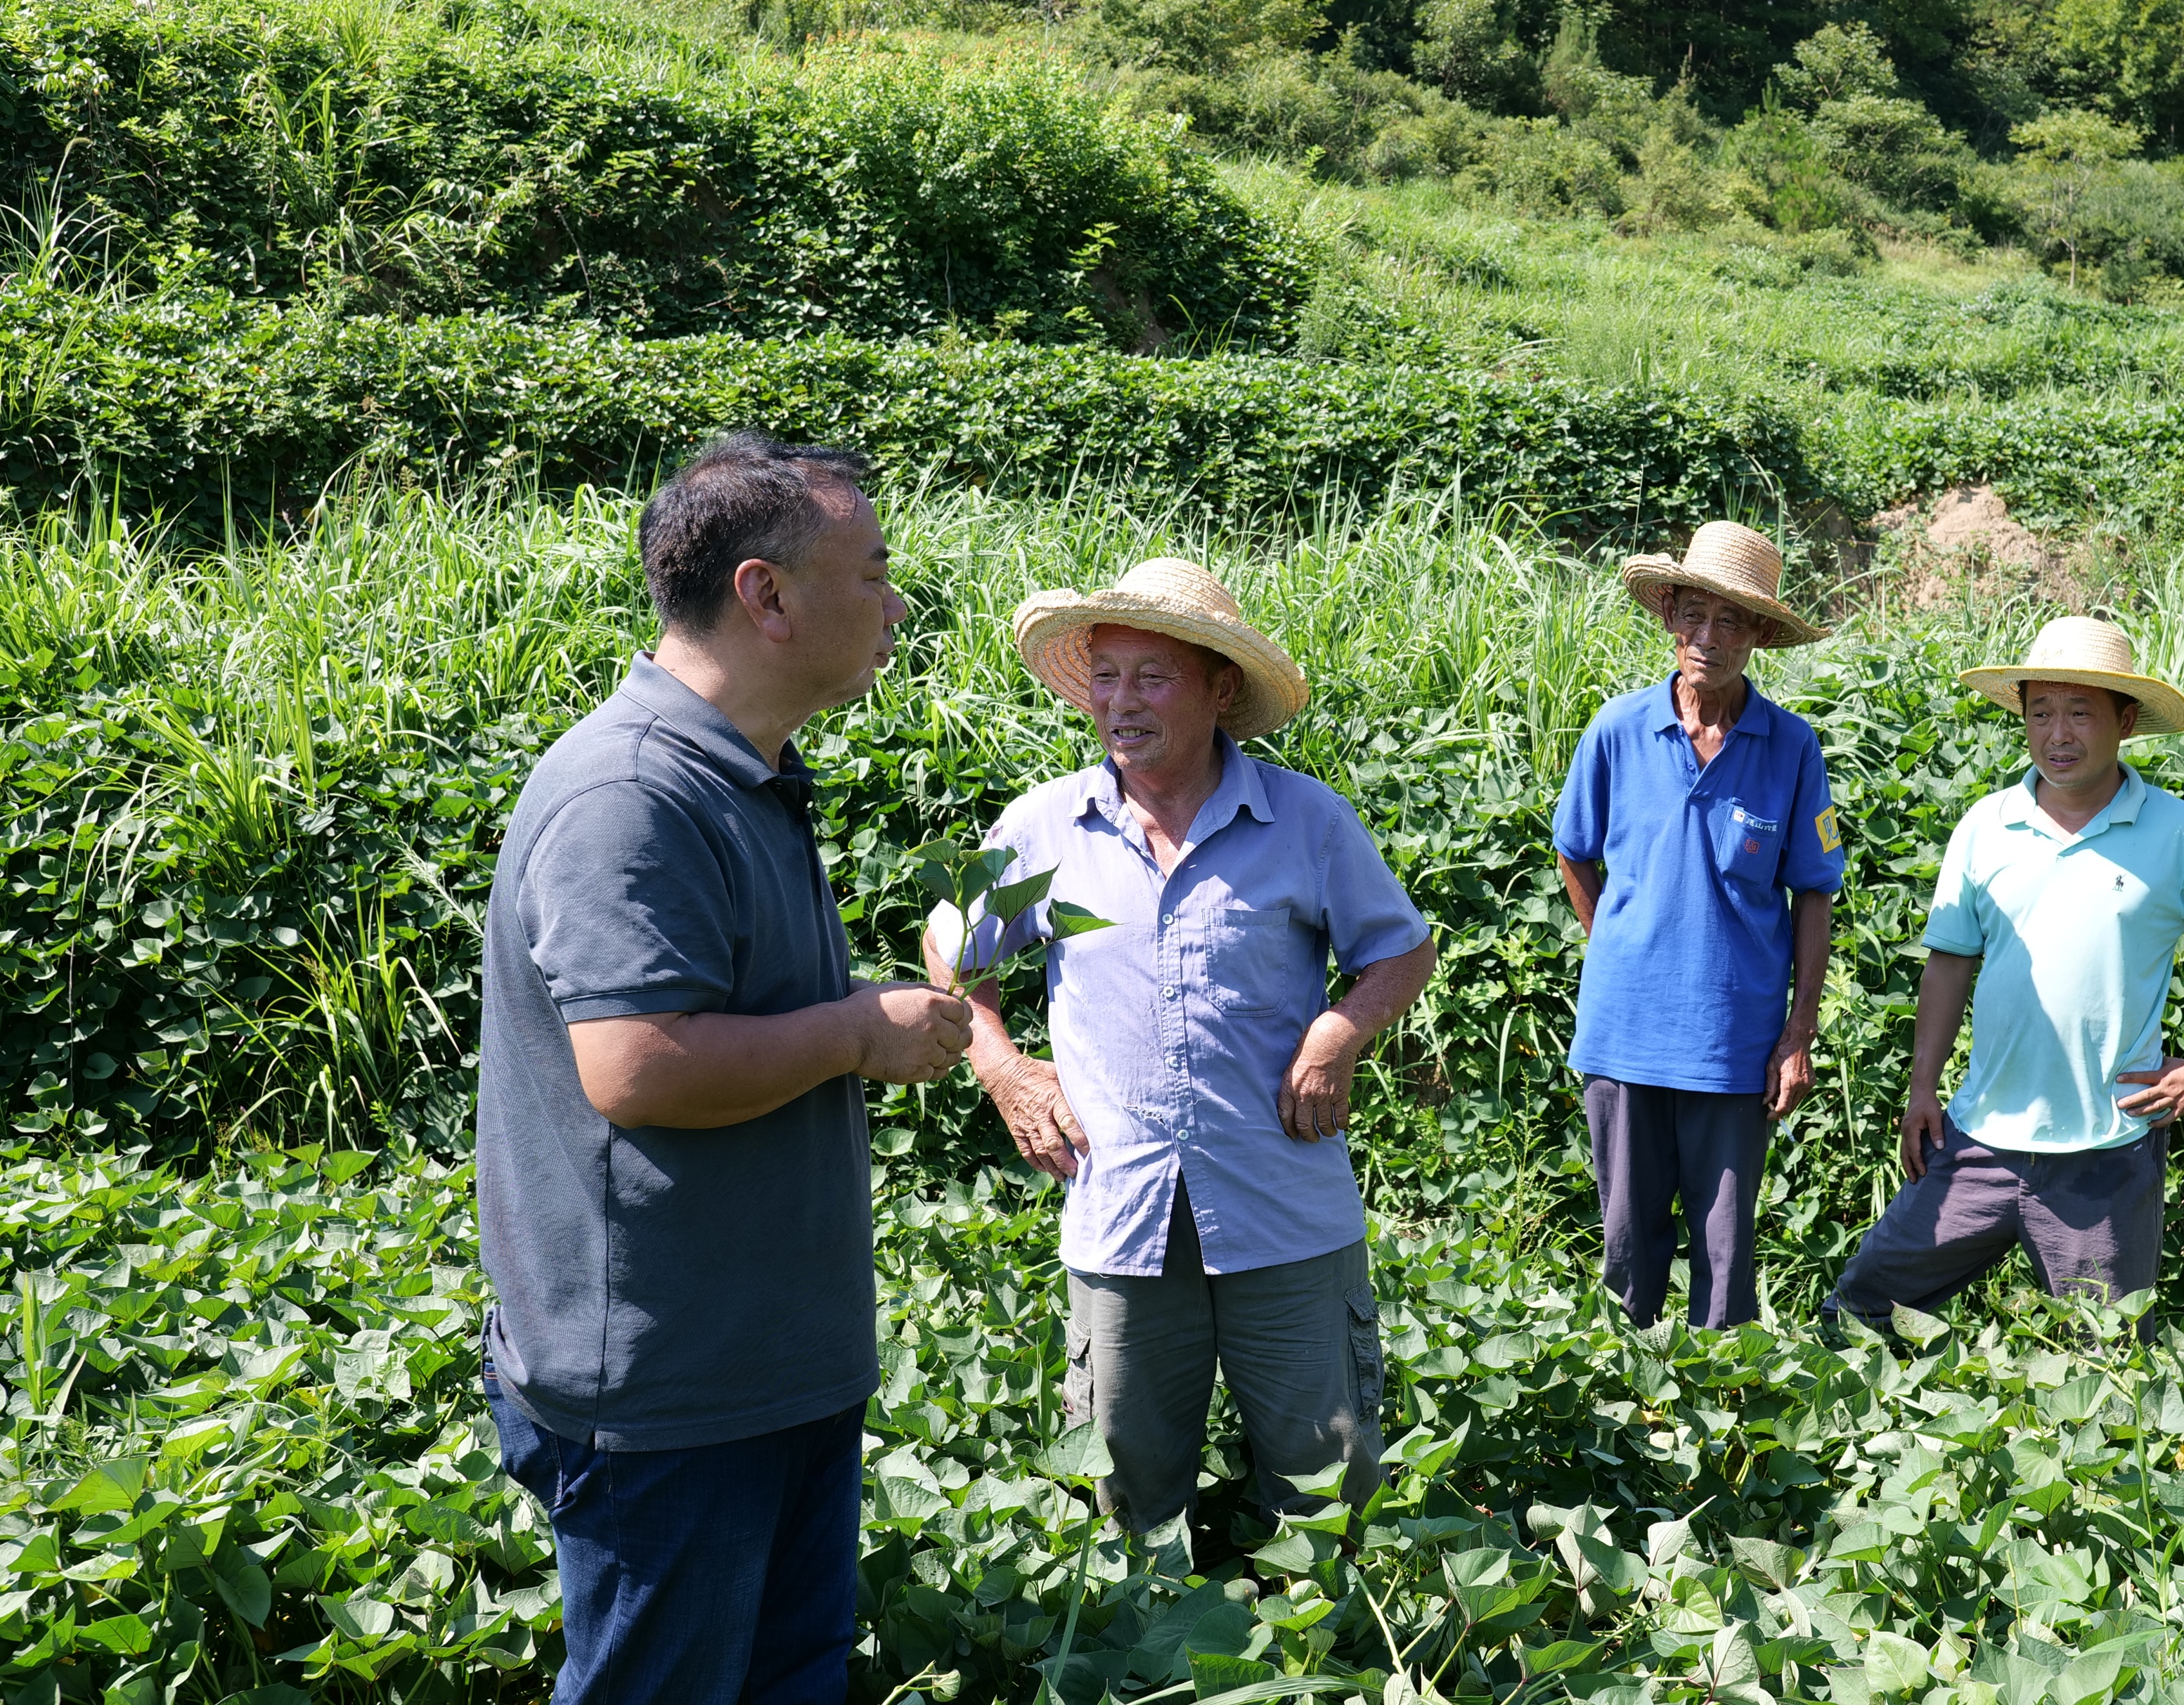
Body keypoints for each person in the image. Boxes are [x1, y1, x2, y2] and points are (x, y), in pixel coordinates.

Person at [477, 434, 972, 1705]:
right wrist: (861, 1031)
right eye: (872, 572)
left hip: (765, 1369)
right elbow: (637, 1069)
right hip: (667, 1392)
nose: (894, 604)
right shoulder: (631, 796)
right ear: (766, 595)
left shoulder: (744, 776)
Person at [928, 557, 1438, 1543]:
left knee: (1325, 1494)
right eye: (1107, 676)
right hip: (1120, 1213)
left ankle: (1319, 1661)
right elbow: (950, 950)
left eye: (1151, 678)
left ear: (1217, 688)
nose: (1120, 702)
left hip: (1284, 1210)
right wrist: (1000, 1062)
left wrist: (1338, 1031)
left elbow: (1401, 950)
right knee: (1124, 1502)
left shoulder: (1307, 819)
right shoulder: (1046, 826)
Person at [1827, 616, 2184, 1330]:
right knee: (1858, 1310)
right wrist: (1922, 1087)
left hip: (2105, 1148)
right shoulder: (1985, 826)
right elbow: (1950, 961)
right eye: (2040, 711)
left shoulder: (2181, 835)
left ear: (2124, 719)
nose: (2058, 733)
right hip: (1978, 1138)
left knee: (2105, 1362)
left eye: (2079, 711)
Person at [1553, 520, 1845, 1329]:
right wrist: (1609, 939)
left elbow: (1812, 891)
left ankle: (1720, 1415)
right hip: (1623, 1033)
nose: (1706, 638)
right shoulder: (1617, 728)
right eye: (1691, 615)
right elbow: (1572, 851)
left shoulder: (1789, 746)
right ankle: (1625, 1424)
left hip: (1732, 1038)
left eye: (1728, 622)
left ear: (1757, 634)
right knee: (1626, 1247)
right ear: (1669, 616)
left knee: (1724, 1251)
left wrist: (1798, 1031)